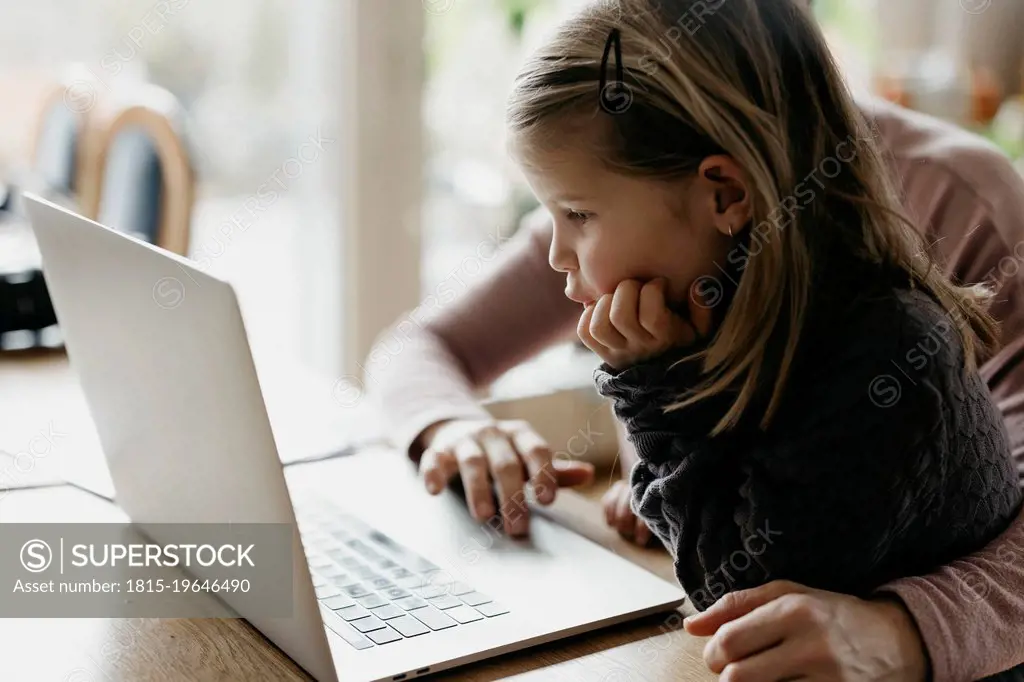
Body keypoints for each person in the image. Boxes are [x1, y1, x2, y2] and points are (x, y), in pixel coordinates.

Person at [367, 2, 1024, 681]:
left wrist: (905, 630)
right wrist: (454, 425)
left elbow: (742, 586)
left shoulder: (924, 249)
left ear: (727, 194)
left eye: (576, 216)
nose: (560, 252)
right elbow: (417, 345)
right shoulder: (620, 159)